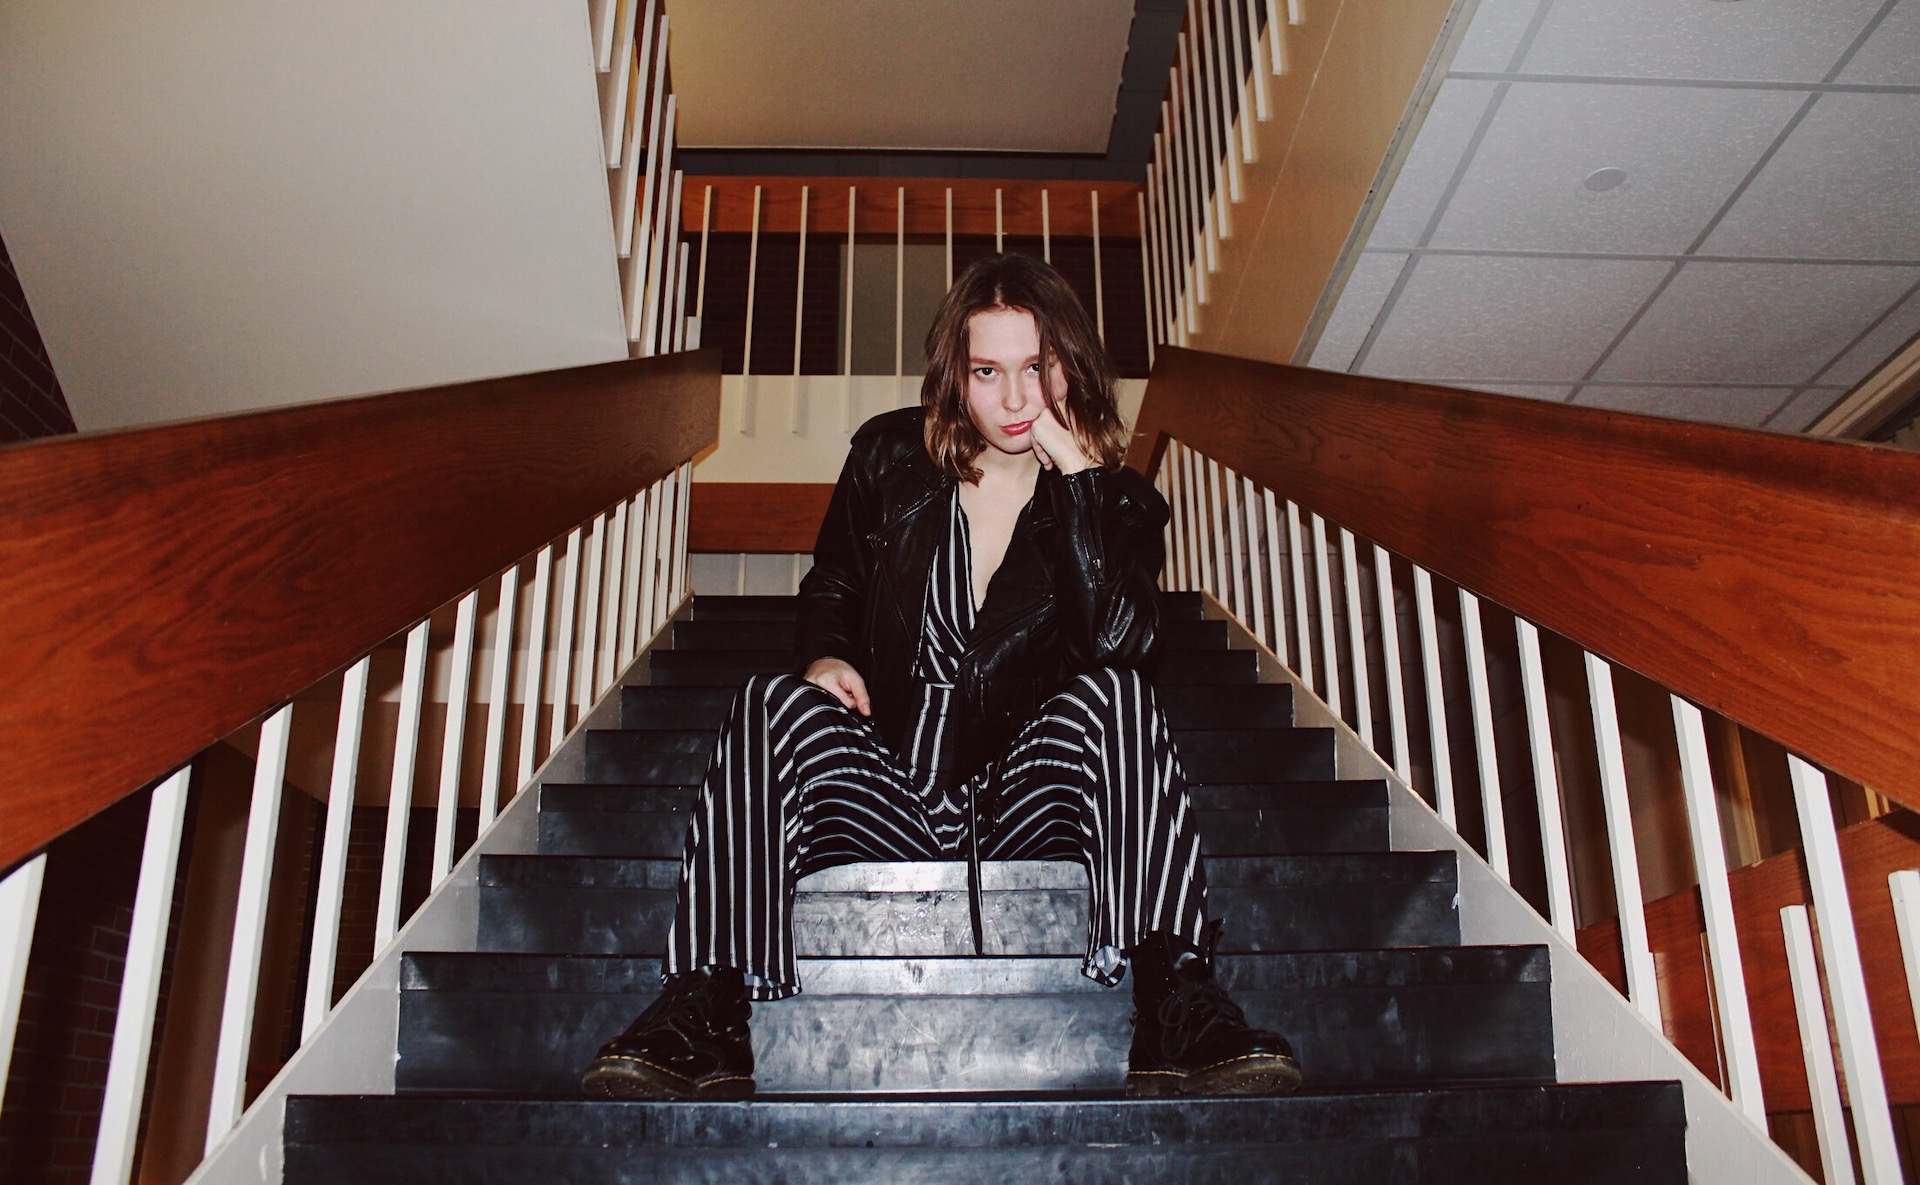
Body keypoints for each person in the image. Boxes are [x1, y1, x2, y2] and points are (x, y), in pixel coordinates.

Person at [579, 253, 1299, 1101]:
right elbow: (835, 581)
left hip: (1022, 796)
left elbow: (1121, 643)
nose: (1017, 398)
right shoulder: (889, 458)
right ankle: (707, 1004)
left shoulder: (1118, 505)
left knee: (1121, 697)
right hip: (890, 782)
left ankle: (1174, 991)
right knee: (767, 703)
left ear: (1071, 365)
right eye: (988, 371)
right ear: (956, 375)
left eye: (1038, 368)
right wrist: (826, 654)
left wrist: (1079, 487)